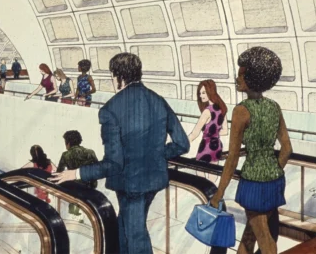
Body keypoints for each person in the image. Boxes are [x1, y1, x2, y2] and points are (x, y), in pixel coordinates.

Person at [51, 53, 190, 254]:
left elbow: (114, 164)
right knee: (125, 227)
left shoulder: (111, 109)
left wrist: (76, 173)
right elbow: (182, 144)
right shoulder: (158, 100)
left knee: (135, 236)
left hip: (130, 183)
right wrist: (156, 153)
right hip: (154, 178)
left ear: (119, 77)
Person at [210, 47, 292, 254]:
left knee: (264, 239)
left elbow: (233, 158)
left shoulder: (241, 111)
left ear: (252, 78)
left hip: (253, 183)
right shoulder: (274, 107)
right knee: (249, 235)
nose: (237, 78)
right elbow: (287, 149)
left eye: (241, 74)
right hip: (275, 181)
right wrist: (273, 170)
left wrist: (219, 193)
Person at [188, 80, 229, 181]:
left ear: (210, 92)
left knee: (199, 170)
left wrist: (184, 142)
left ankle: (203, 189)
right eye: (200, 93)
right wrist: (214, 133)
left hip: (206, 146)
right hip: (217, 145)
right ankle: (212, 189)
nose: (200, 96)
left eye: (203, 93)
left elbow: (195, 133)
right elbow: (225, 131)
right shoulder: (222, 109)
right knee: (213, 172)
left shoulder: (207, 111)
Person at [55, 131, 98, 221]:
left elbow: (59, 172)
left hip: (74, 188)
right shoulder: (90, 152)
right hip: (89, 187)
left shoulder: (65, 155)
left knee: (74, 210)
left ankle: (76, 218)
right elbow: (97, 169)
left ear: (68, 143)